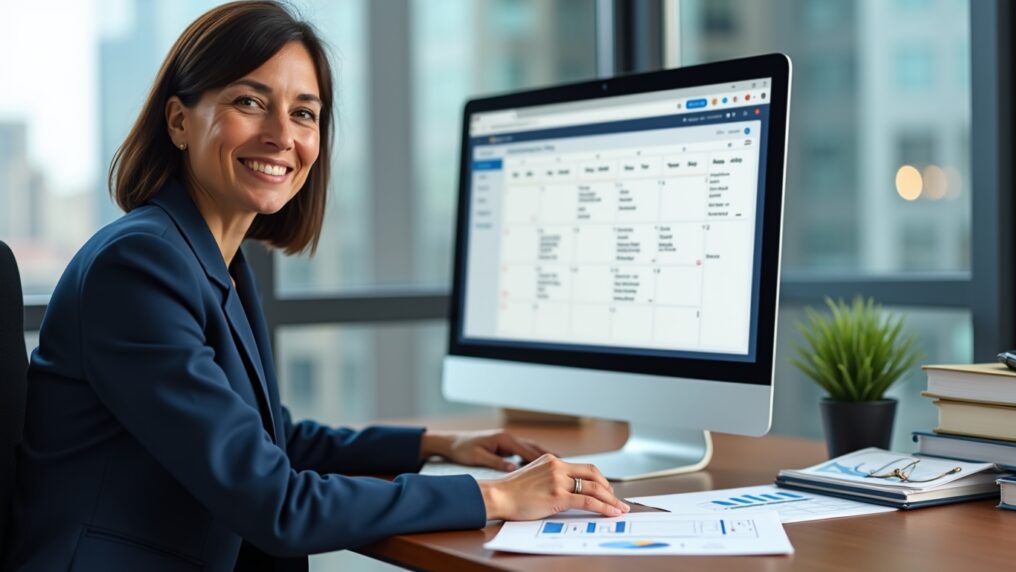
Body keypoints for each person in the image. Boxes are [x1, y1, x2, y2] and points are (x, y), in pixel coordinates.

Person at [3, 2, 628, 571]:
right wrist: (494, 496)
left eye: (304, 113)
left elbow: (273, 437)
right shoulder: (138, 267)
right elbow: (273, 500)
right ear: (179, 121)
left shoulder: (212, 261)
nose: (283, 134)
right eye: (250, 102)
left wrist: (442, 444)